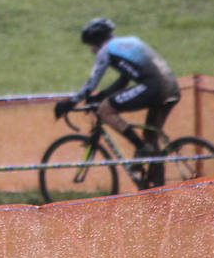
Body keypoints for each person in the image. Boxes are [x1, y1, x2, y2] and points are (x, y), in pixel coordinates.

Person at [54, 17, 181, 187]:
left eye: (90, 45)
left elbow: (92, 82)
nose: (91, 49)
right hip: (171, 86)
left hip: (154, 87)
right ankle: (157, 186)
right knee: (151, 136)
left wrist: (70, 103)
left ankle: (140, 147)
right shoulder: (128, 42)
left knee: (105, 110)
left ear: (95, 41)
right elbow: (124, 80)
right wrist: (101, 95)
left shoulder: (105, 51)